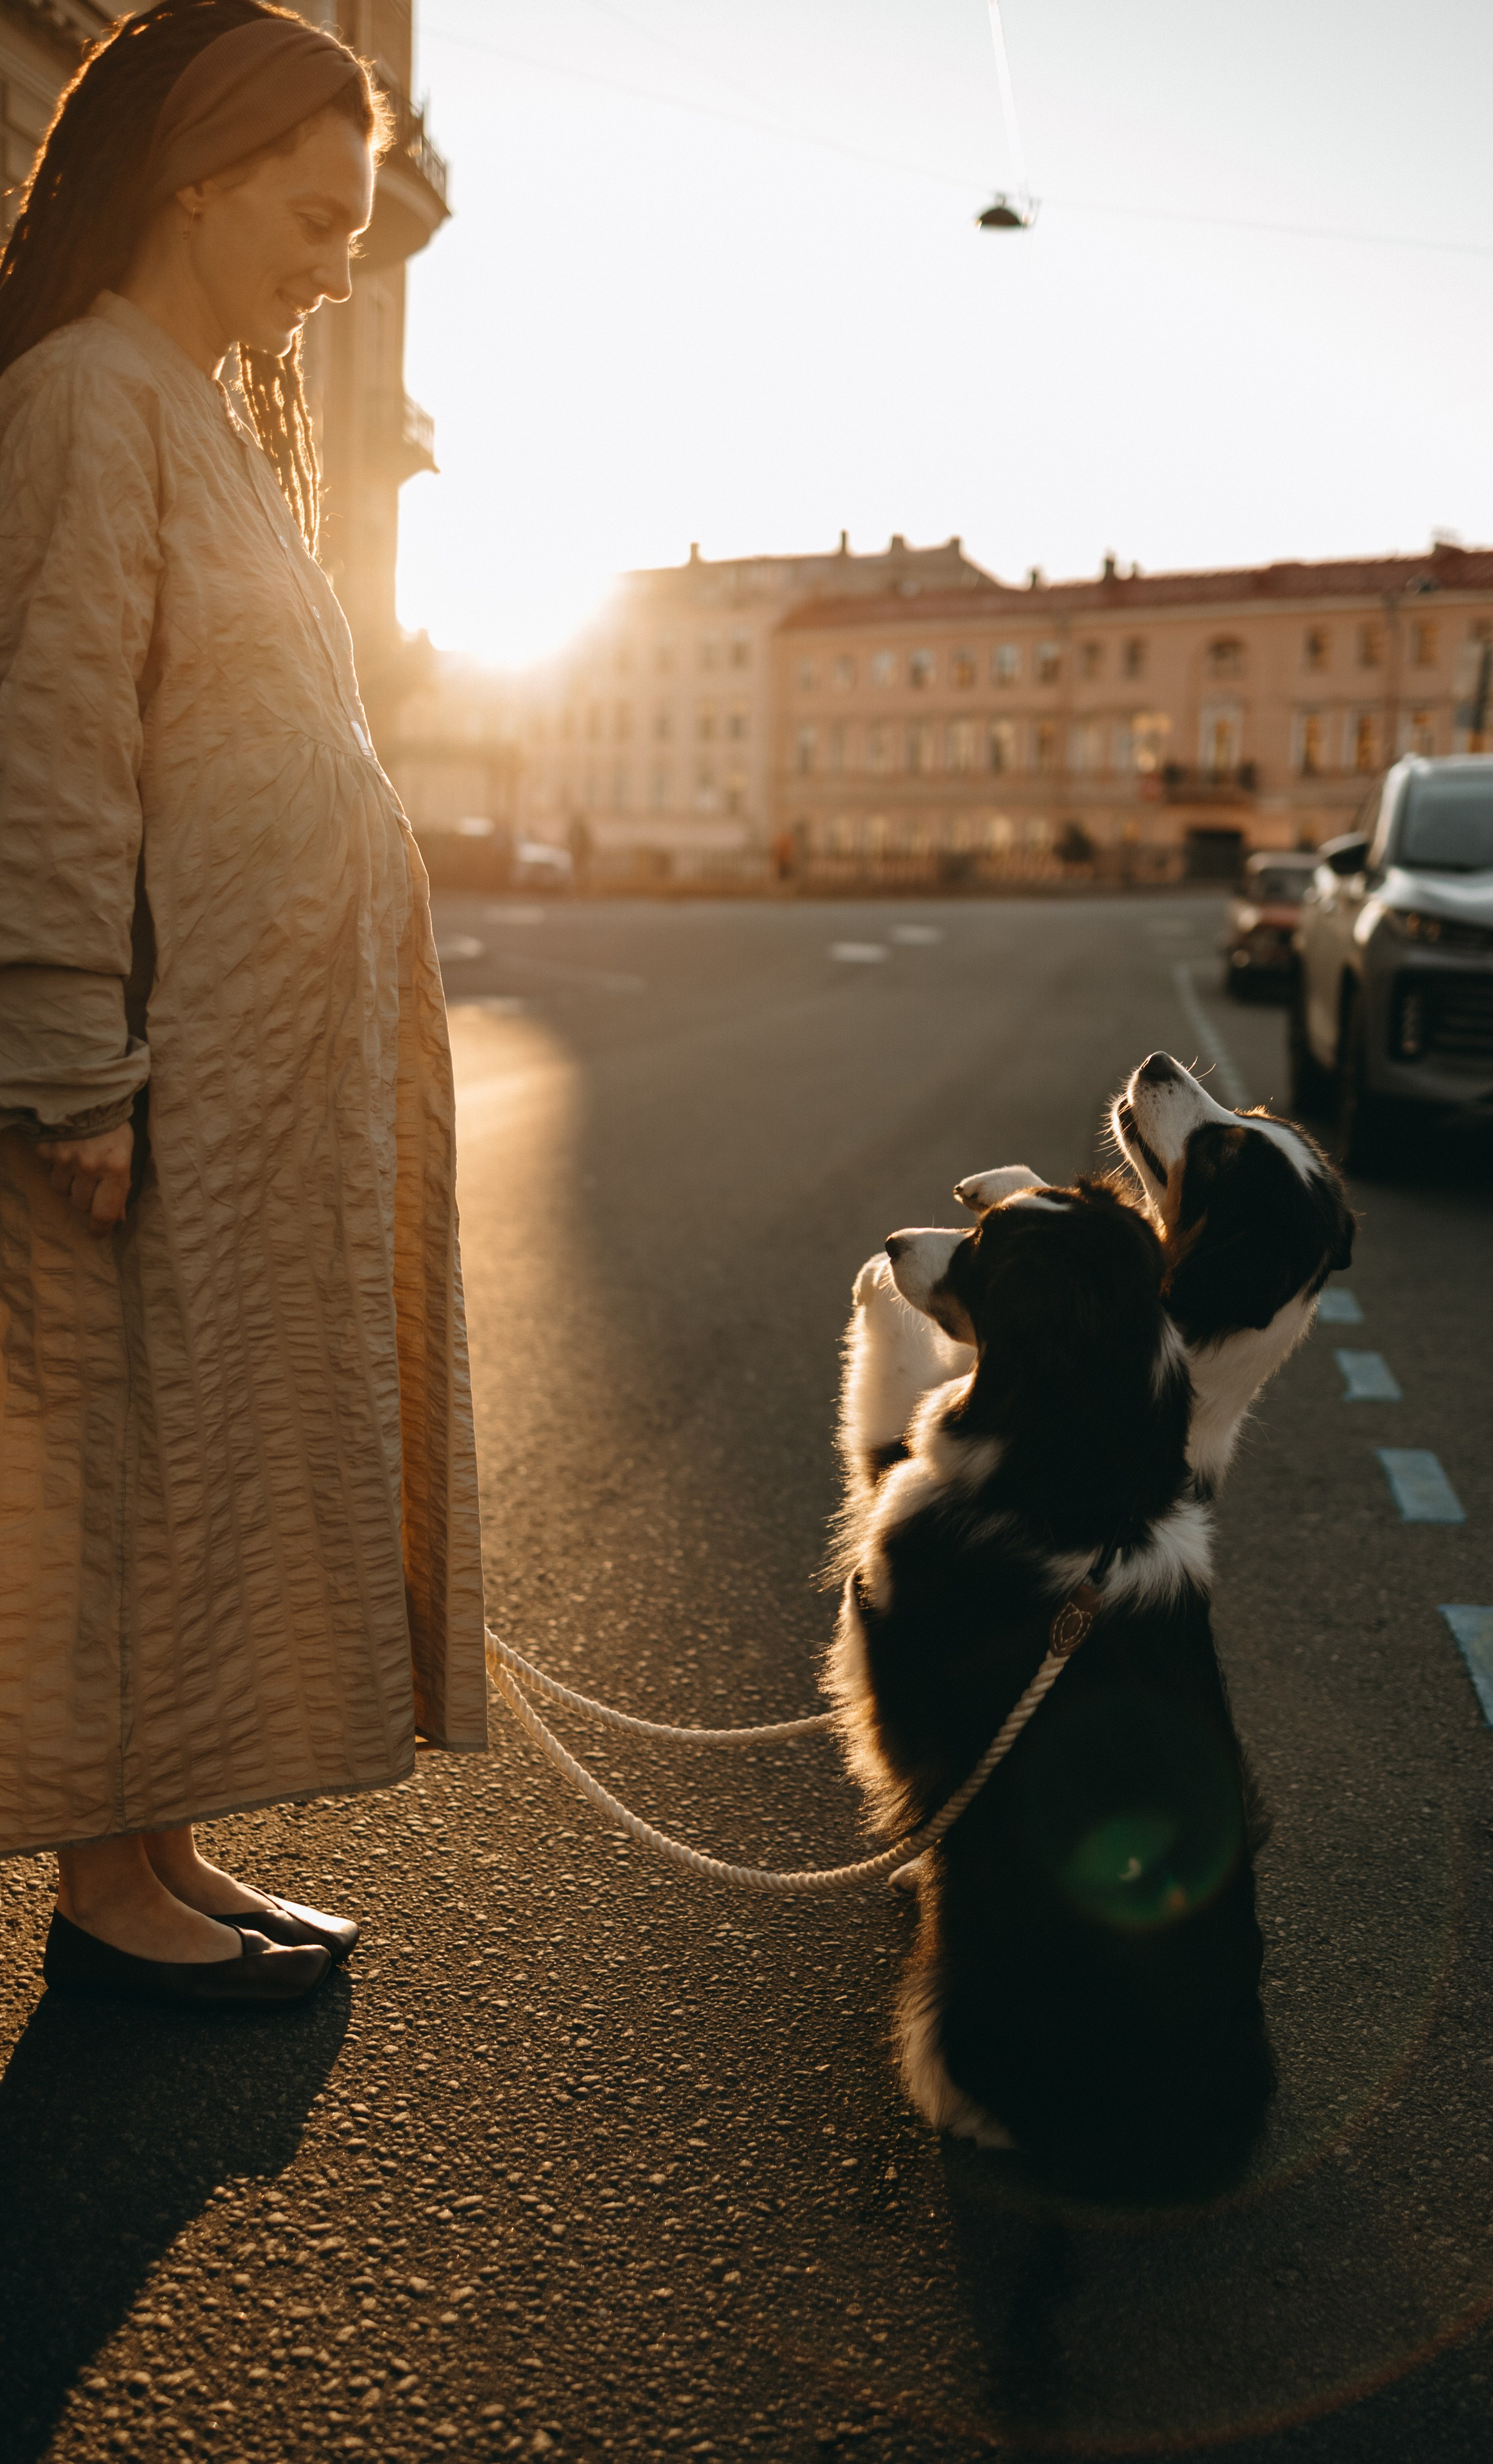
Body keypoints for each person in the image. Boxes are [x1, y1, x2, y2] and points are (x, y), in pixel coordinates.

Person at [0, 0, 487, 2005]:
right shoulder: (87, 397)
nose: (338, 260)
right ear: (194, 173)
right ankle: (111, 1901)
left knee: (187, 1472)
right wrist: (69, 1069)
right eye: (315, 211)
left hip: (245, 1083)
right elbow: (46, 751)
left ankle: (161, 1849)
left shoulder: (190, 399)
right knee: (119, 1471)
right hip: (146, 1078)